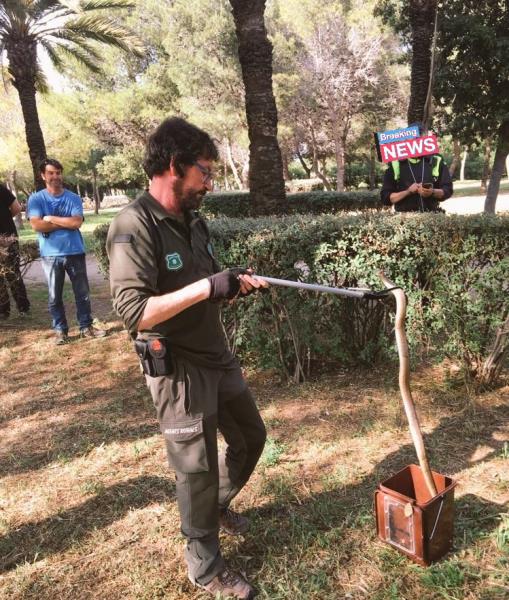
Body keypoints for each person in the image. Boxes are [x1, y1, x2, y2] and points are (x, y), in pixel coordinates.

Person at [107, 117, 268, 599]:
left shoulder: (194, 221)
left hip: (216, 355)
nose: (210, 183)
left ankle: (212, 509)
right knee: (195, 469)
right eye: (205, 171)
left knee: (251, 438)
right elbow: (135, 312)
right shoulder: (133, 224)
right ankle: (205, 566)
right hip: (178, 368)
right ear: (175, 166)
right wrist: (206, 287)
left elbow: (207, 284)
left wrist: (229, 284)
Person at [27, 159, 106, 344]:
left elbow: (76, 223)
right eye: (51, 173)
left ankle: (86, 327)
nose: (55, 176)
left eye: (58, 172)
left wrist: (51, 219)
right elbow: (37, 225)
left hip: (75, 251)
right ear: (43, 176)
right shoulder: (36, 199)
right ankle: (60, 331)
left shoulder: (73, 198)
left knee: (82, 294)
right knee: (55, 295)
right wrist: (64, 222)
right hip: (51, 255)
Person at [380, 149, 453, 212]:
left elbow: (448, 190)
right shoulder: (395, 162)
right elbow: (386, 198)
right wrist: (408, 192)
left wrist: (432, 192)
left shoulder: (436, 159)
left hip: (432, 217)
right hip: (404, 219)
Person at [0, 183, 30, 319]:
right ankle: (19, 308)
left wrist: (4, 220)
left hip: (7, 238)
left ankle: (10, 309)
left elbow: (16, 208)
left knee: (12, 272)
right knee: (13, 272)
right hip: (8, 235)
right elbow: (16, 208)